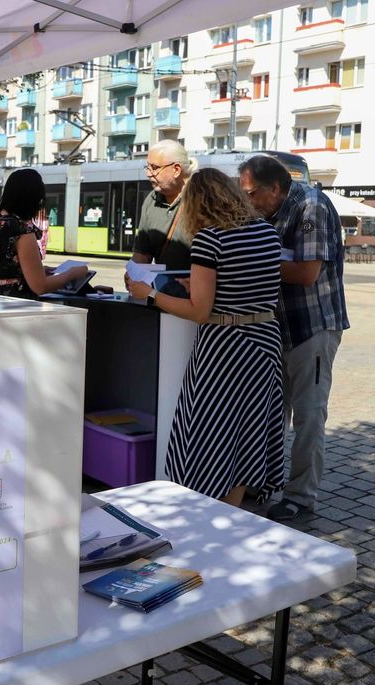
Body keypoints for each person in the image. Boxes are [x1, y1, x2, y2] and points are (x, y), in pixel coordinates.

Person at [127, 168, 284, 507]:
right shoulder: (267, 233)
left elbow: (199, 311)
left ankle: (209, 512)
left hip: (224, 348)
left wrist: (148, 293)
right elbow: (249, 283)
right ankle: (234, 510)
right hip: (264, 342)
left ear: (198, 203)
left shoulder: (210, 239)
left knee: (211, 431)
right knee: (248, 434)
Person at [238, 155, 349, 522]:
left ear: (274, 188)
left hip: (313, 327)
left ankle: (301, 496)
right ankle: (263, 481)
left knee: (308, 416)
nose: (249, 202)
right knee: (271, 413)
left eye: (253, 194)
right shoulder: (266, 208)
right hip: (277, 328)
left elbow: (305, 272)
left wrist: (252, 262)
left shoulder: (311, 206)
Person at [0, 168, 90, 299]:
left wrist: (35, 271)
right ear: (32, 199)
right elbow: (40, 286)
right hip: (15, 305)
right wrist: (71, 274)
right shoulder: (19, 229)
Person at [131, 140, 195, 270]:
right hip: (161, 288)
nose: (148, 174)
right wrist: (133, 274)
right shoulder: (151, 200)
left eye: (154, 168)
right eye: (147, 167)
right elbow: (142, 254)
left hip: (197, 288)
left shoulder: (201, 198)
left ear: (176, 170)